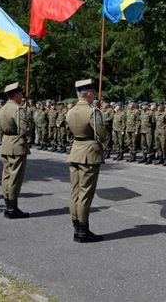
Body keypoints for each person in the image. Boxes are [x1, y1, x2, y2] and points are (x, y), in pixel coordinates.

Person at [66, 79, 109, 242]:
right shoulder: (93, 112)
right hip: (89, 154)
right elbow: (101, 134)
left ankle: (77, 228)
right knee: (85, 194)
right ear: (89, 93)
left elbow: (69, 133)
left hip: (75, 151)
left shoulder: (70, 111)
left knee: (75, 193)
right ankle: (84, 231)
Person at [0, 83, 31, 219]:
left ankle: (8, 204)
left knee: (6, 175)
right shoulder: (18, 109)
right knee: (15, 177)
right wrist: (29, 130)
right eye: (21, 93)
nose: (22, 96)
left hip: (6, 143)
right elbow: (24, 129)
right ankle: (12, 208)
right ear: (16, 94)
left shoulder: (3, 108)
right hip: (17, 144)